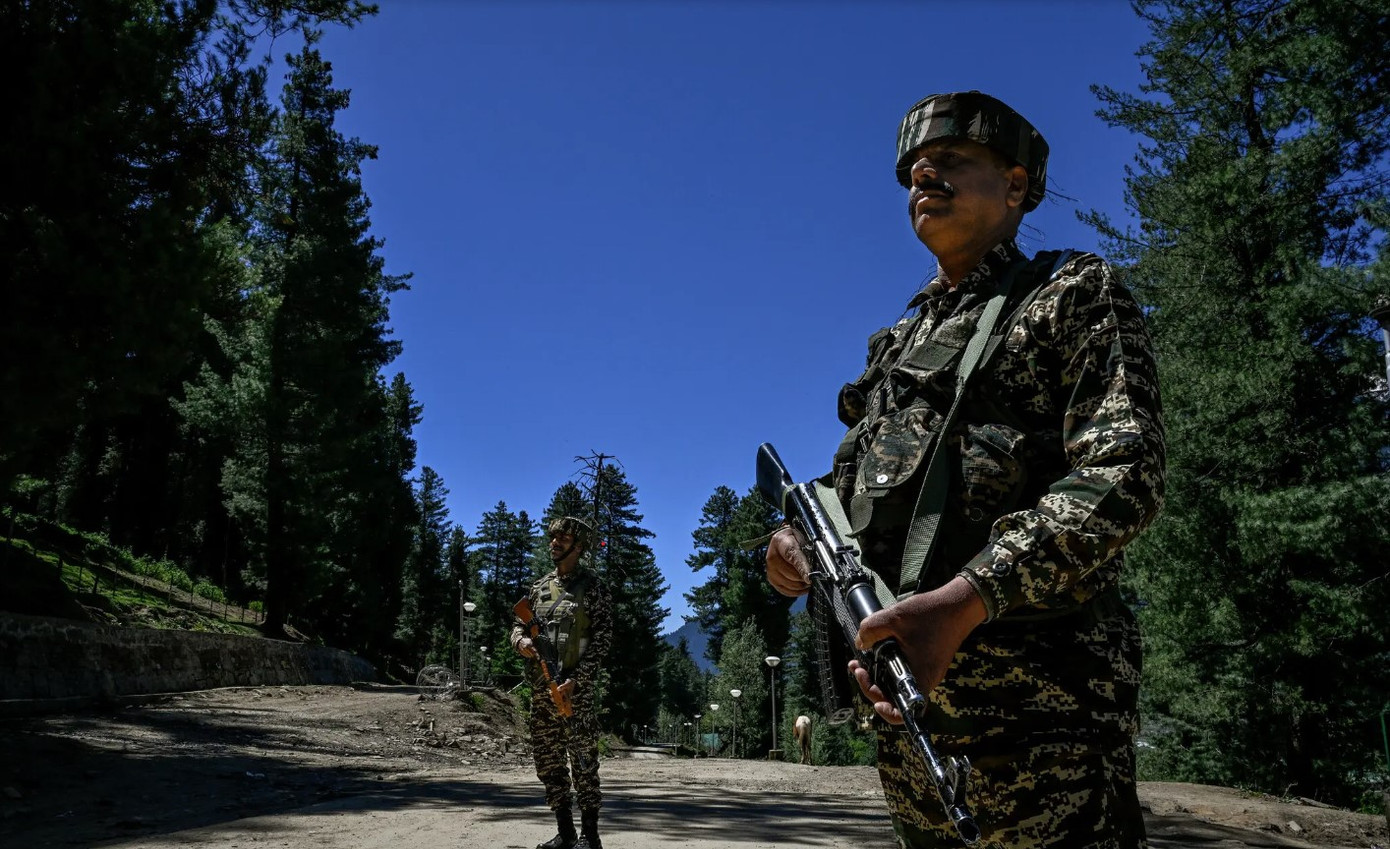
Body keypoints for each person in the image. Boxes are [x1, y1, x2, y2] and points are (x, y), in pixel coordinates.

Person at [765, 91, 1166, 848]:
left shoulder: (1070, 294)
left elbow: (1124, 474)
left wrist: (964, 601)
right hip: (911, 719)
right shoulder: (901, 341)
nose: (924, 174)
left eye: (950, 159)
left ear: (1015, 185)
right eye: (914, 168)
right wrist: (797, 547)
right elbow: (860, 493)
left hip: (1042, 723)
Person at [511, 516, 613, 849]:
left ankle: (590, 836)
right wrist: (520, 642)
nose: (554, 543)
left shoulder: (593, 588)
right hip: (542, 692)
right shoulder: (538, 588)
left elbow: (602, 640)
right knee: (549, 763)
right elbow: (518, 625)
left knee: (583, 763)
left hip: (574, 694)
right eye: (553, 537)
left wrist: (577, 680)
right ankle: (566, 833)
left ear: (578, 547)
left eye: (563, 539)